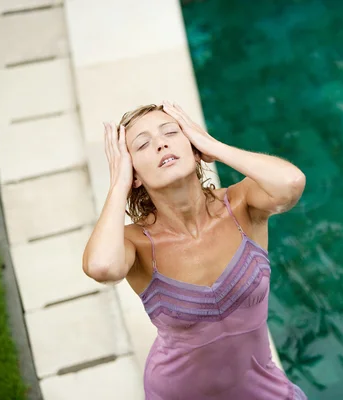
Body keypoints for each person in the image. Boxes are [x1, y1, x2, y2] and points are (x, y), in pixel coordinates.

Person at [82, 101, 308, 400]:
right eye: (143, 144)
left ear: (192, 144)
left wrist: (213, 146)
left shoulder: (241, 205)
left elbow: (290, 183)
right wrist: (119, 183)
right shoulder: (137, 242)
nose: (161, 144)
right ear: (134, 172)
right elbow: (102, 268)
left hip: (261, 389)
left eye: (171, 132)